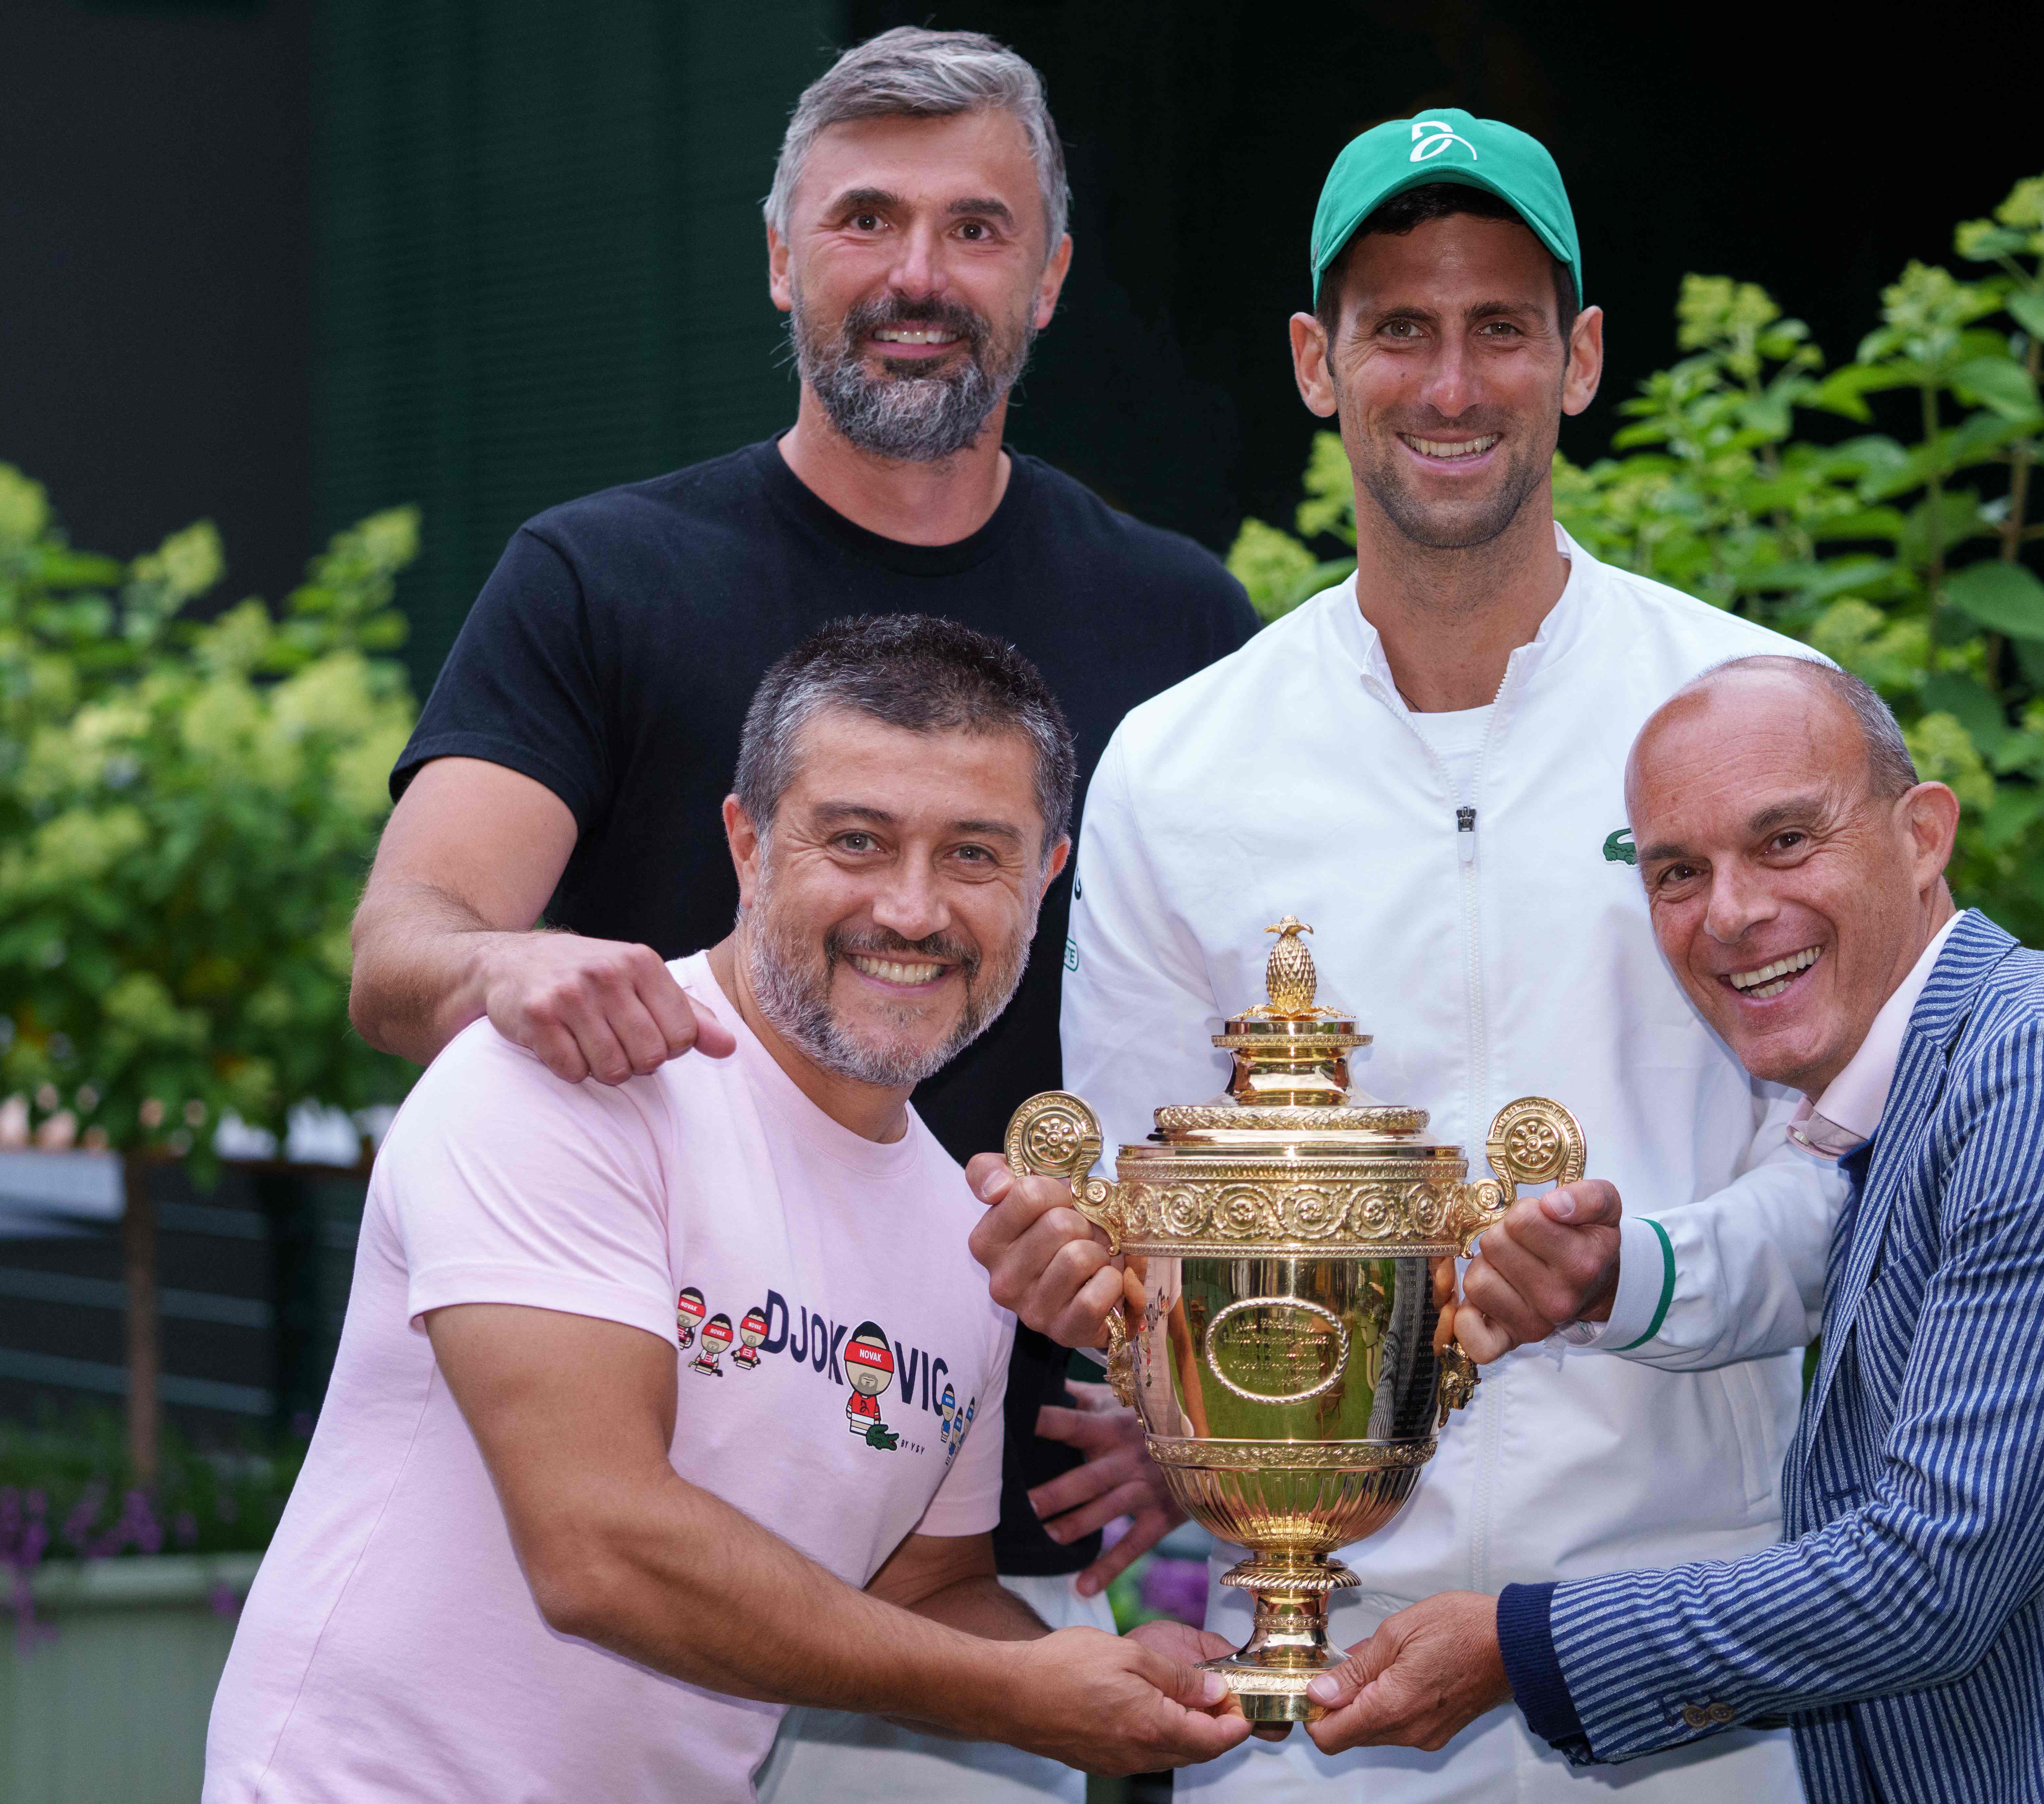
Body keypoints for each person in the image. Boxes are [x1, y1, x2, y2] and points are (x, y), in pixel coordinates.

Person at [342, 26, 1253, 1801]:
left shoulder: (1179, 623)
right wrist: (505, 962)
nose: (917, 275)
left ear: (1051, 276)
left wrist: (1211, 1404)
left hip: (959, 1502)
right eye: (865, 220)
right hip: (618, 1462)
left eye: (976, 228)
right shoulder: (599, 577)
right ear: (780, 254)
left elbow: (1231, 1046)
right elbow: (406, 947)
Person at [967, 111, 1846, 1803]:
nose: (1450, 384)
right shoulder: (1181, 760)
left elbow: (1858, 1167)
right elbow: (1140, 1229)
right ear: (1317, 360)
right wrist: (1078, 1275)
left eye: (1499, 326)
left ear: (1578, 357)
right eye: (1398, 328)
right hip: (1322, 1676)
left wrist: (1628, 1268)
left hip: (1694, 1662)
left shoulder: (1749, 708)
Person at [1303, 656, 2044, 1801]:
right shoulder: (1924, 1095)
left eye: (1785, 841)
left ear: (1925, 835)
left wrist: (1519, 1649)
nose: (1730, 914)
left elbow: (1927, 1577)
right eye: (1679, 871)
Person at [205, 618, 1256, 1802]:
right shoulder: (571, 1079)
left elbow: (923, 1596)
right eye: (857, 841)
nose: (912, 911)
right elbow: (600, 1547)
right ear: (747, 844)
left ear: (1046, 876)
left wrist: (1118, 1672)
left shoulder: (964, 1236)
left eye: (974, 855)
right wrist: (1029, 1699)